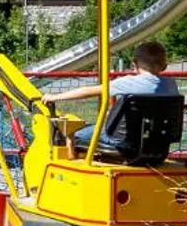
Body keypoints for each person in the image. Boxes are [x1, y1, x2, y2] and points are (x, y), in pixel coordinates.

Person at [41, 39, 179, 157]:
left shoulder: (128, 82)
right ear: (164, 65)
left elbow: (88, 91)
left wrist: (54, 97)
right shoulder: (171, 85)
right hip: (158, 142)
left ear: (135, 64)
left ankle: (70, 161)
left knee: (69, 133)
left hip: (121, 140)